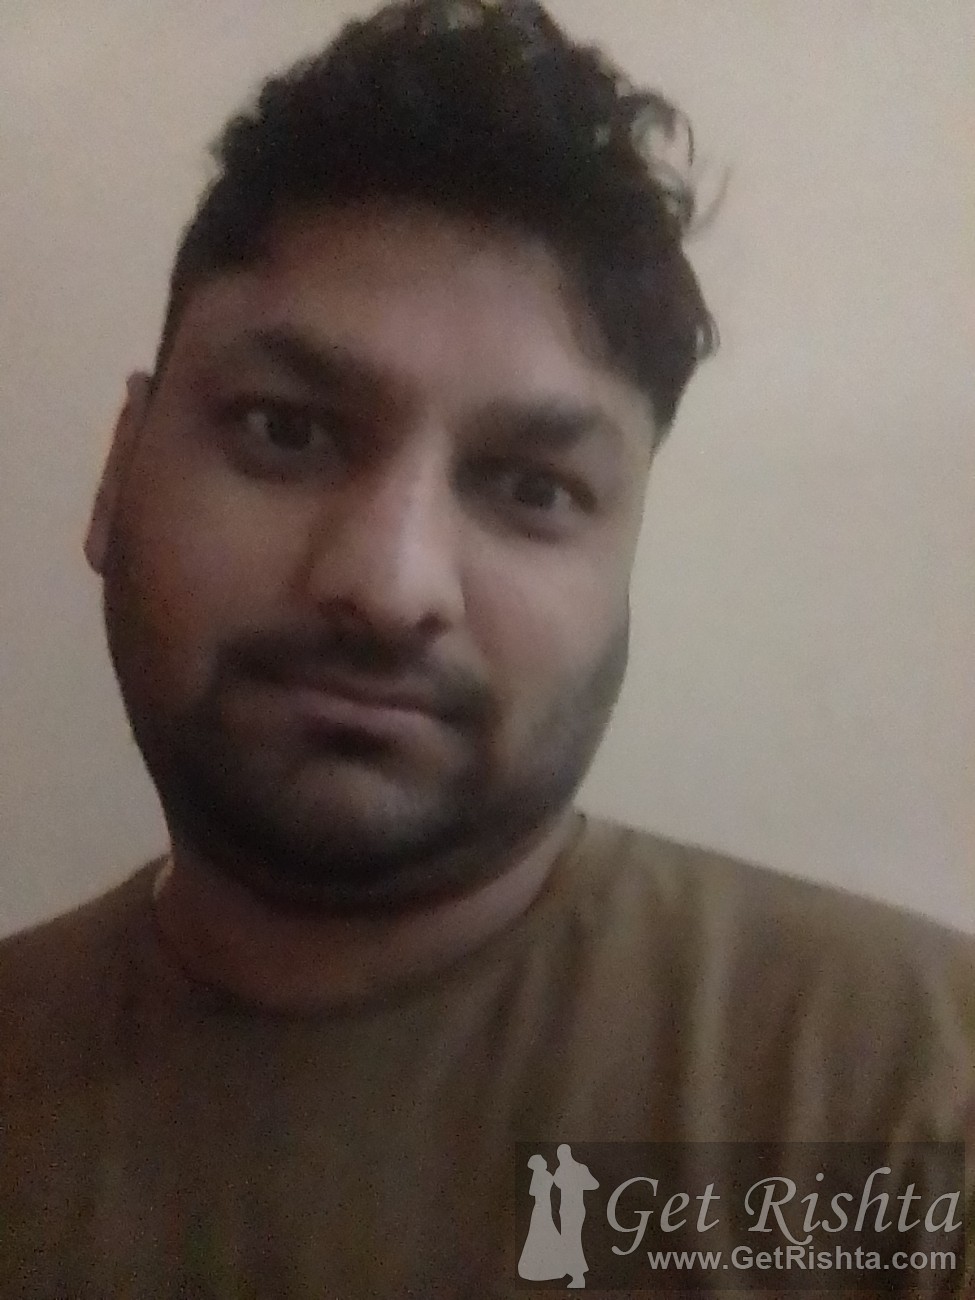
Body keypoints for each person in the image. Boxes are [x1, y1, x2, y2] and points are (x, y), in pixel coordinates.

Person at [1, 0, 971, 1296]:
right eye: (287, 429)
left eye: (531, 487)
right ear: (119, 470)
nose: (388, 584)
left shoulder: (911, 1100)